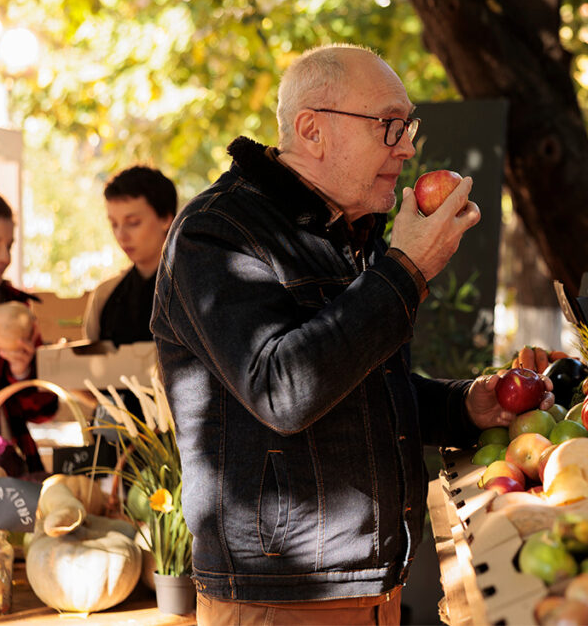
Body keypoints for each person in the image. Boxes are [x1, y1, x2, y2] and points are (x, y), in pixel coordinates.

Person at [151, 44, 553, 625]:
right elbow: (282, 391)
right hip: (282, 597)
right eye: (390, 126)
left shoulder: (346, 232)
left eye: (407, 127)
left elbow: (358, 391)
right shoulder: (216, 234)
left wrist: (464, 404)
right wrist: (404, 271)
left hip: (372, 583)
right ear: (312, 130)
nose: (408, 147)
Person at [0, 192, 57, 474]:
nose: (5, 258)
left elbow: (43, 411)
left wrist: (22, 372)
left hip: (17, 464)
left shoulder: (20, 308)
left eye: (9, 246)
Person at [83, 166, 177, 345]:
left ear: (165, 218)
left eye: (133, 223)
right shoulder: (104, 297)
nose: (121, 235)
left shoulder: (197, 289)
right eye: (114, 224)